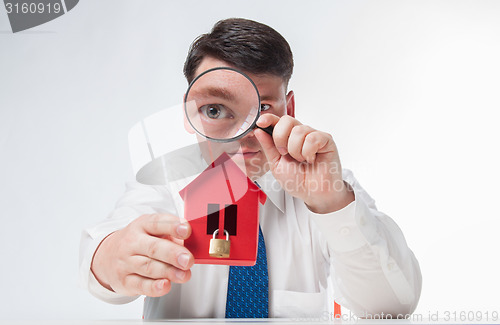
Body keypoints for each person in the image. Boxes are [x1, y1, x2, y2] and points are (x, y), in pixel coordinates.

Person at [79, 18, 422, 319]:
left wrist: (331, 203)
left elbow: (390, 308)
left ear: (289, 109)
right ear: (190, 114)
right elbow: (104, 255)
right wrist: (113, 257)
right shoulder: (166, 183)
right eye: (215, 110)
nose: (241, 136)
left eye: (260, 109)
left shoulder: (328, 187)